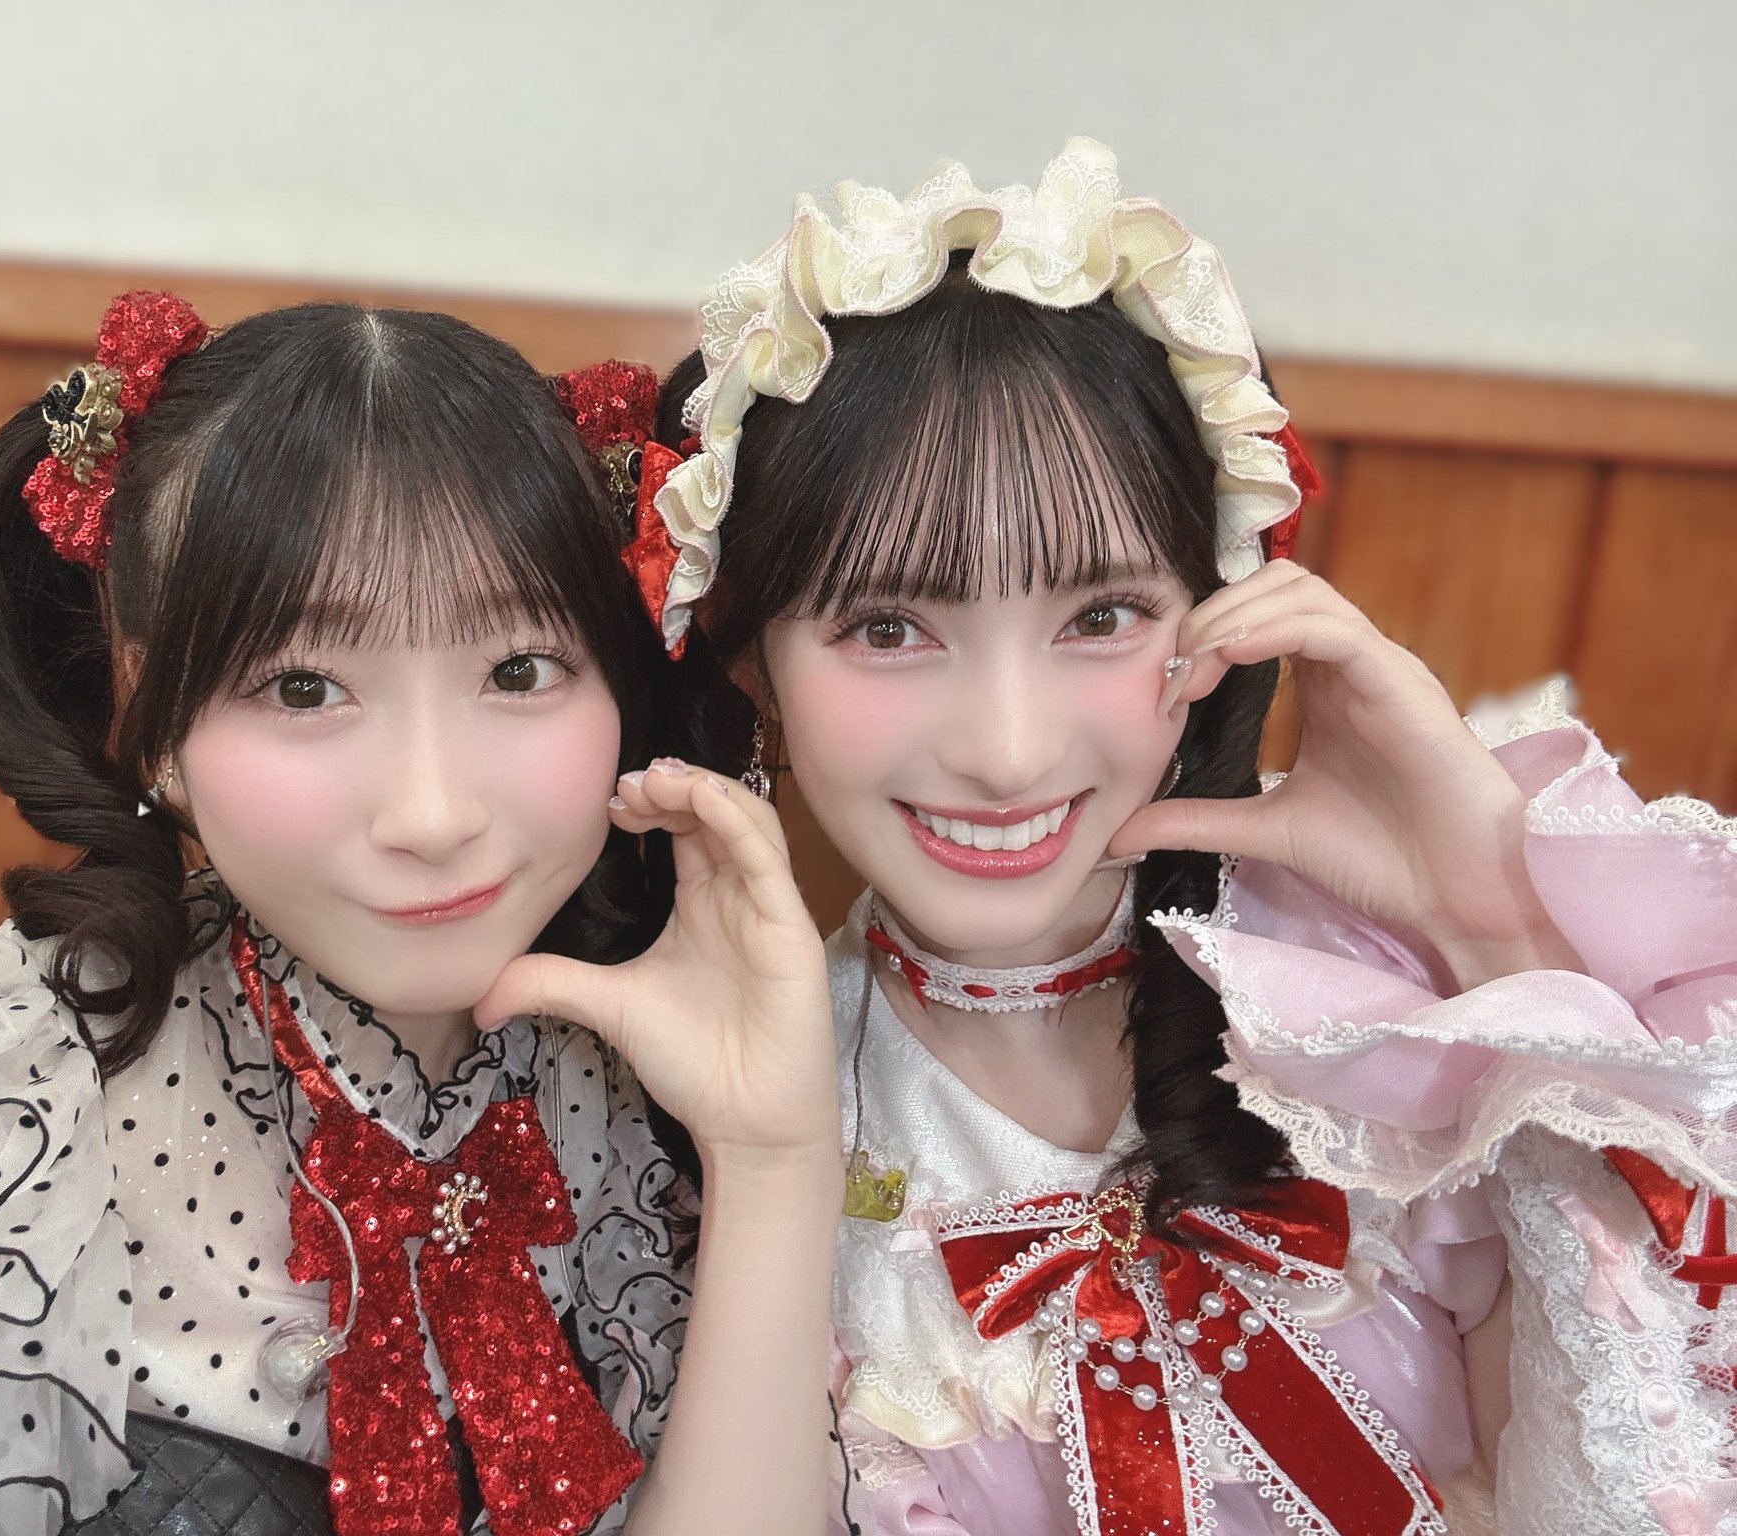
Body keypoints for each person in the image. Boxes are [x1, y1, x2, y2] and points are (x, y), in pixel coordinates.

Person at [615, 143, 1737, 1533]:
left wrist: (1489, 923)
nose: (1007, 749)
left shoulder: (1384, 1008)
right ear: (749, 661)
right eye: (889, 628)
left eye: (1100, 617)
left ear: (1221, 618)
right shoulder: (727, 1105)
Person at [0, 294, 842, 1535]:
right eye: (302, 688)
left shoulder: (623, 1109)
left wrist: (769, 1159)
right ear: (147, 718)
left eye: (518, 671)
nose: (432, 813)